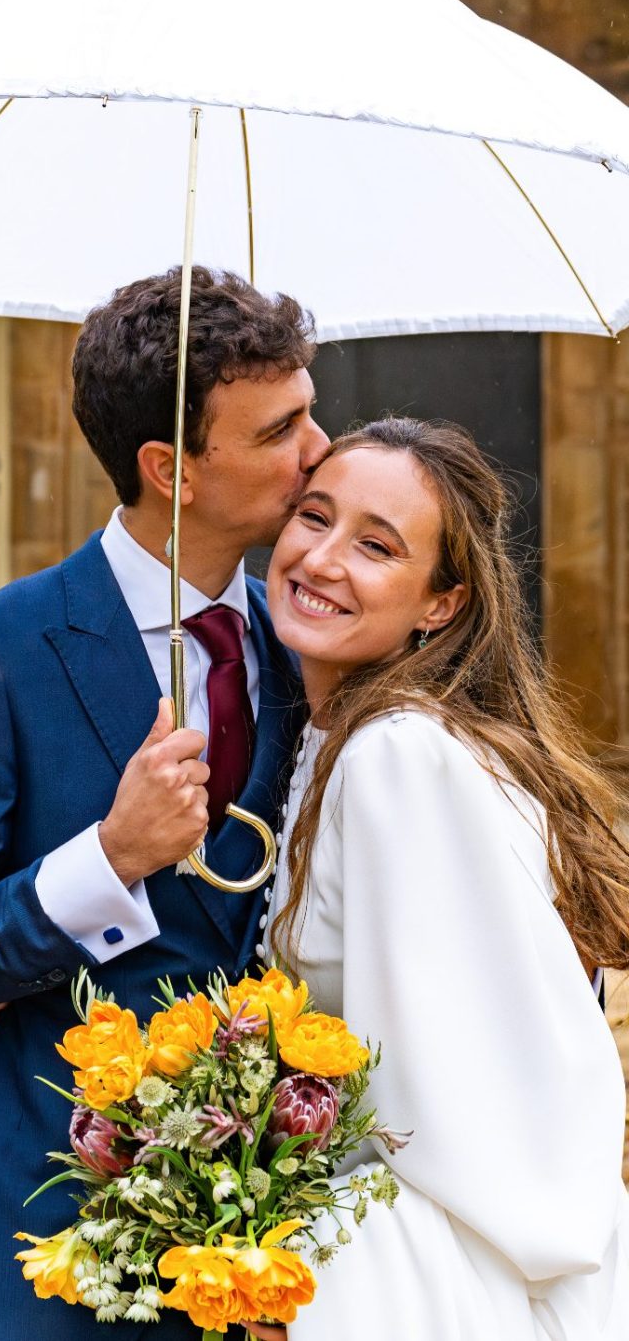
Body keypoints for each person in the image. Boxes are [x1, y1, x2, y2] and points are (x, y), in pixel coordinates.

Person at [0, 266, 328, 1341]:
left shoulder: (313, 647)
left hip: (281, 1237)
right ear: (172, 467)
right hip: (64, 1222)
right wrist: (106, 860)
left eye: (313, 411)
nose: (322, 450)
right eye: (282, 429)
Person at [257, 416, 629, 1340]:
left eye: (376, 545)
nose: (321, 557)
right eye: (314, 516)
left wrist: (311, 1274)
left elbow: (443, 1098)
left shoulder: (400, 758)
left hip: (428, 1281)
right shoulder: (344, 737)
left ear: (442, 603)